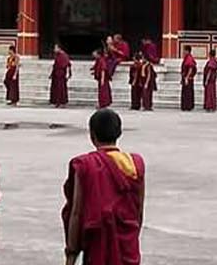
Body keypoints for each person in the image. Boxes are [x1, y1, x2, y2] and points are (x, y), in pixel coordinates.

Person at [62, 108, 145, 265]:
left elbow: (76, 213)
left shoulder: (85, 165)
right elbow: (139, 210)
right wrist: (131, 238)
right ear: (119, 133)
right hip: (128, 247)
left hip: (98, 246)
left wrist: (71, 252)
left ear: (92, 135)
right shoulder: (135, 163)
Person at [50, 43, 72, 108]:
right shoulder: (57, 55)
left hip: (61, 75)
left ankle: (61, 102)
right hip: (56, 75)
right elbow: (55, 65)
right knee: (56, 89)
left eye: (55, 48)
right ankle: (56, 101)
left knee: (61, 89)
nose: (54, 49)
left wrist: (68, 74)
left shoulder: (64, 56)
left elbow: (68, 65)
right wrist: (52, 74)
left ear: (59, 48)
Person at [180, 45, 198, 112]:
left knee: (187, 93)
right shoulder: (187, 57)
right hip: (186, 77)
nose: (183, 52)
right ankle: (187, 106)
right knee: (187, 92)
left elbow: (190, 68)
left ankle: (187, 106)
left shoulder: (189, 58)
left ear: (187, 51)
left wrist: (187, 77)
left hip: (188, 78)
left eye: (184, 50)